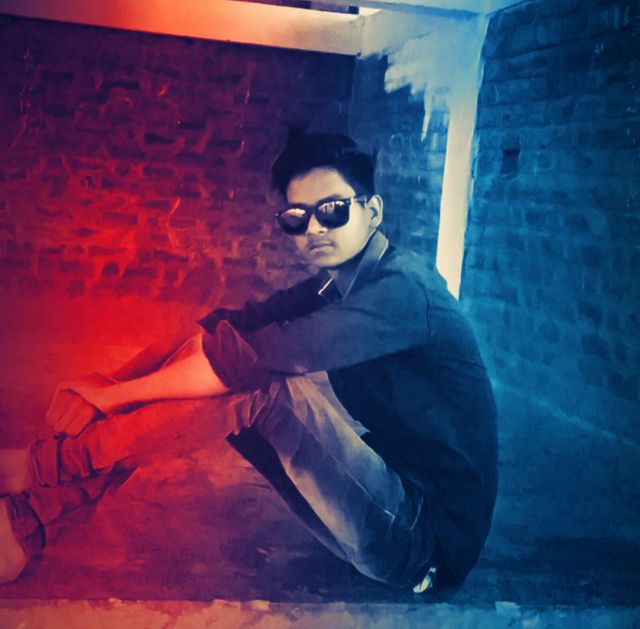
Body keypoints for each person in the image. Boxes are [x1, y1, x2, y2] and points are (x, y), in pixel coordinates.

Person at [0, 132, 498, 593]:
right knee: (223, 359)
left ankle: (40, 480)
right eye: (297, 217)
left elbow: (251, 361)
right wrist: (111, 380)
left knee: (256, 384)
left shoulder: (402, 291)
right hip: (378, 507)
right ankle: (28, 522)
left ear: (372, 211)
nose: (314, 228)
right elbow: (221, 329)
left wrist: (111, 398)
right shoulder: (335, 285)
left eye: (332, 210)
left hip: (420, 543)